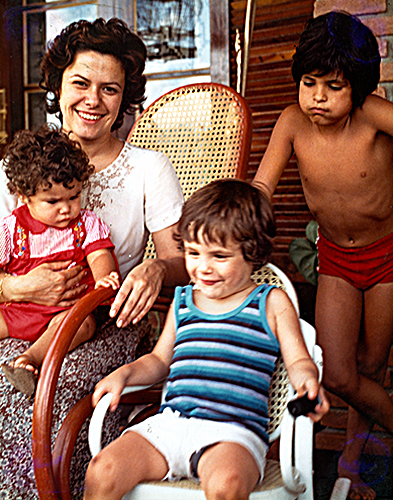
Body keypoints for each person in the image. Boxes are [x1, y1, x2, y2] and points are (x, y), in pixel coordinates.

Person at [83, 179, 329, 500]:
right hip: (172, 424)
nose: (203, 268)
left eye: (219, 256)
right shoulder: (184, 300)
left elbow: (297, 361)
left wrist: (308, 382)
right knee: (102, 470)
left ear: (252, 253)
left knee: (226, 486)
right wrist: (124, 374)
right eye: (194, 252)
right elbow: (159, 360)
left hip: (233, 434)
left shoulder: (271, 302)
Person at [253, 11, 393, 500]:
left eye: (333, 86)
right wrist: (240, 220)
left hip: (387, 259)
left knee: (372, 367)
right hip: (334, 257)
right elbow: (263, 187)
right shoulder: (293, 123)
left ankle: (350, 468)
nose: (317, 97)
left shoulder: (375, 115)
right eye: (309, 83)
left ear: (356, 86)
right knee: (339, 374)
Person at [0, 18, 188, 331]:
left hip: (104, 324)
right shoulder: (16, 169)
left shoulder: (149, 169)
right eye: (80, 83)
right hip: (15, 319)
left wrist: (156, 268)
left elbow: (181, 265)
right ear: (58, 85)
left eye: (109, 89)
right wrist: (18, 288)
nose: (93, 100)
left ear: (123, 98)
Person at [0, 124, 120, 396]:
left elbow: (99, 253)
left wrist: (105, 277)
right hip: (19, 311)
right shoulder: (10, 230)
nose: (66, 208)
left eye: (74, 196)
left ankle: (29, 360)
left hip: (65, 311)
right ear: (23, 196)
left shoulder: (86, 225)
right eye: (52, 201)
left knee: (82, 325)